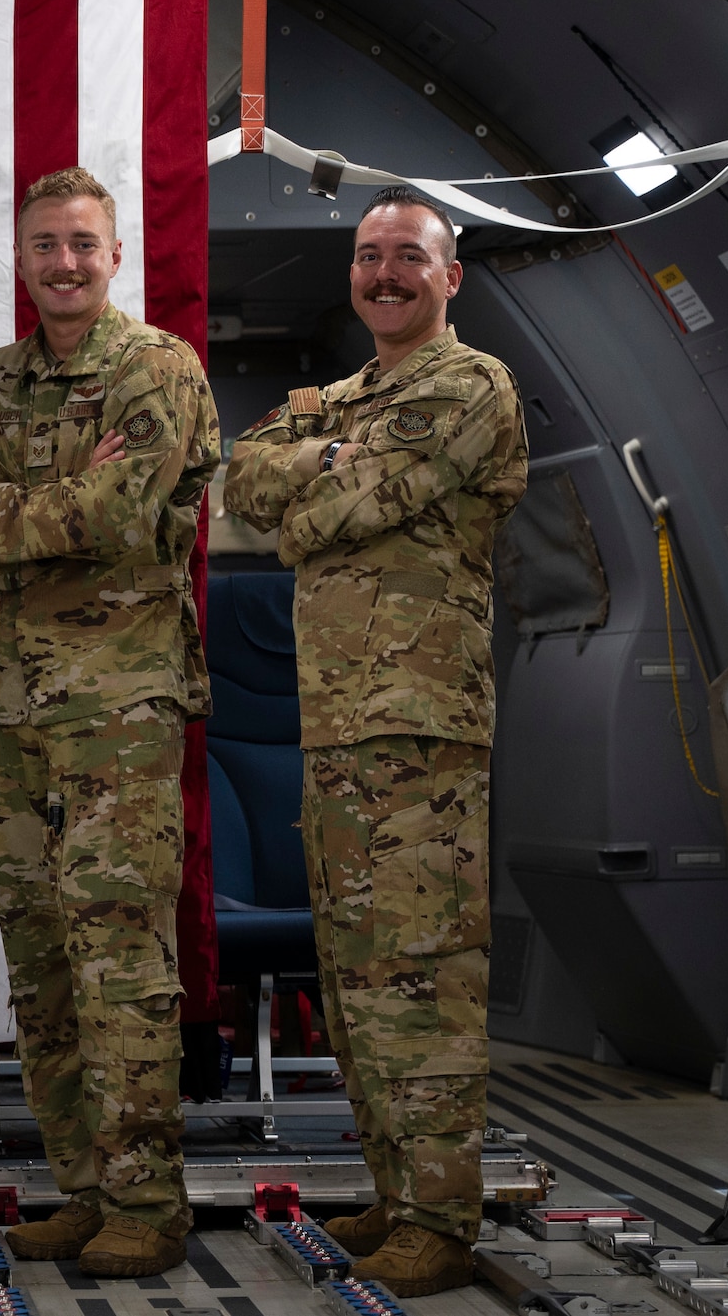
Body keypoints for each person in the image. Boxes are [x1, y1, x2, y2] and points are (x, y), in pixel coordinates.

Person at [223, 185, 527, 1298]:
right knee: (356, 979)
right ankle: (396, 1196)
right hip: (339, 727)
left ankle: (440, 1220)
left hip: (419, 729)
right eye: (366, 257)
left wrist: (310, 476)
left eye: (409, 256)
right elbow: (243, 472)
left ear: (450, 277)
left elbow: (321, 514)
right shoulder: (349, 392)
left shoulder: (467, 384)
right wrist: (318, 465)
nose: (384, 274)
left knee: (423, 976)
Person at [0, 167, 218, 1277]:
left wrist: (9, 510)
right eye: (43, 245)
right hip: (16, 707)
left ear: (114, 255)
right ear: (18, 260)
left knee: (119, 958)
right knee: (40, 960)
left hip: (122, 704)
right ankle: (83, 1192)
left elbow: (123, 510)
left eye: (81, 244)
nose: (62, 263)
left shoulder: (155, 369)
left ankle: (148, 1202)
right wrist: (39, 510)